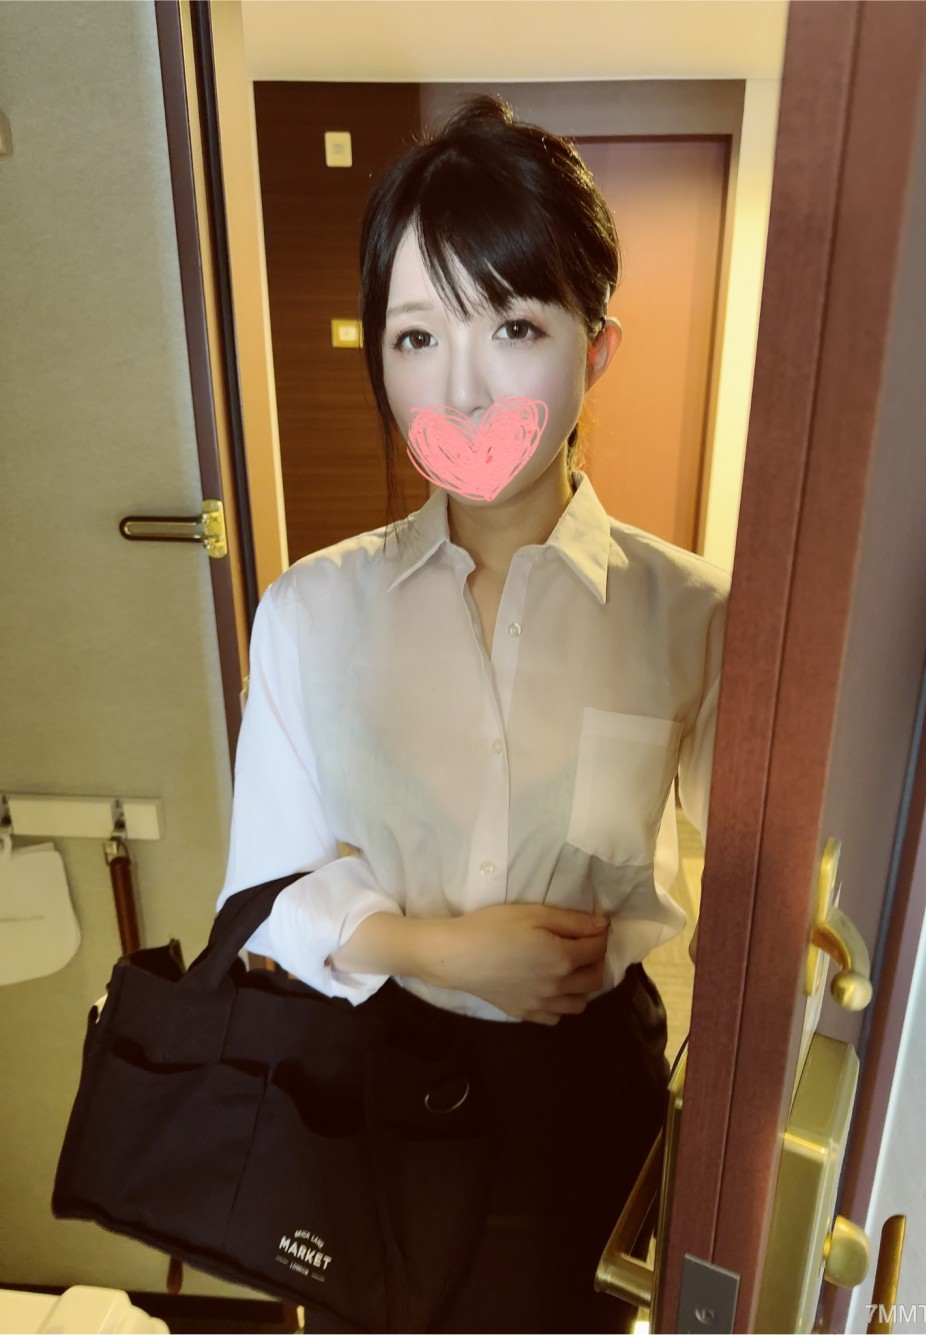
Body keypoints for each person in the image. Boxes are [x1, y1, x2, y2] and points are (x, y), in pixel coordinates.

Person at [217, 95, 729, 1334]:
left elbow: (761, 892)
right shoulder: (309, 611)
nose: (458, 387)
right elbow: (265, 899)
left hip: (589, 1086)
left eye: (512, 326)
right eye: (414, 336)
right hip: (378, 1073)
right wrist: (444, 951)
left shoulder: (693, 614)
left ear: (595, 347)